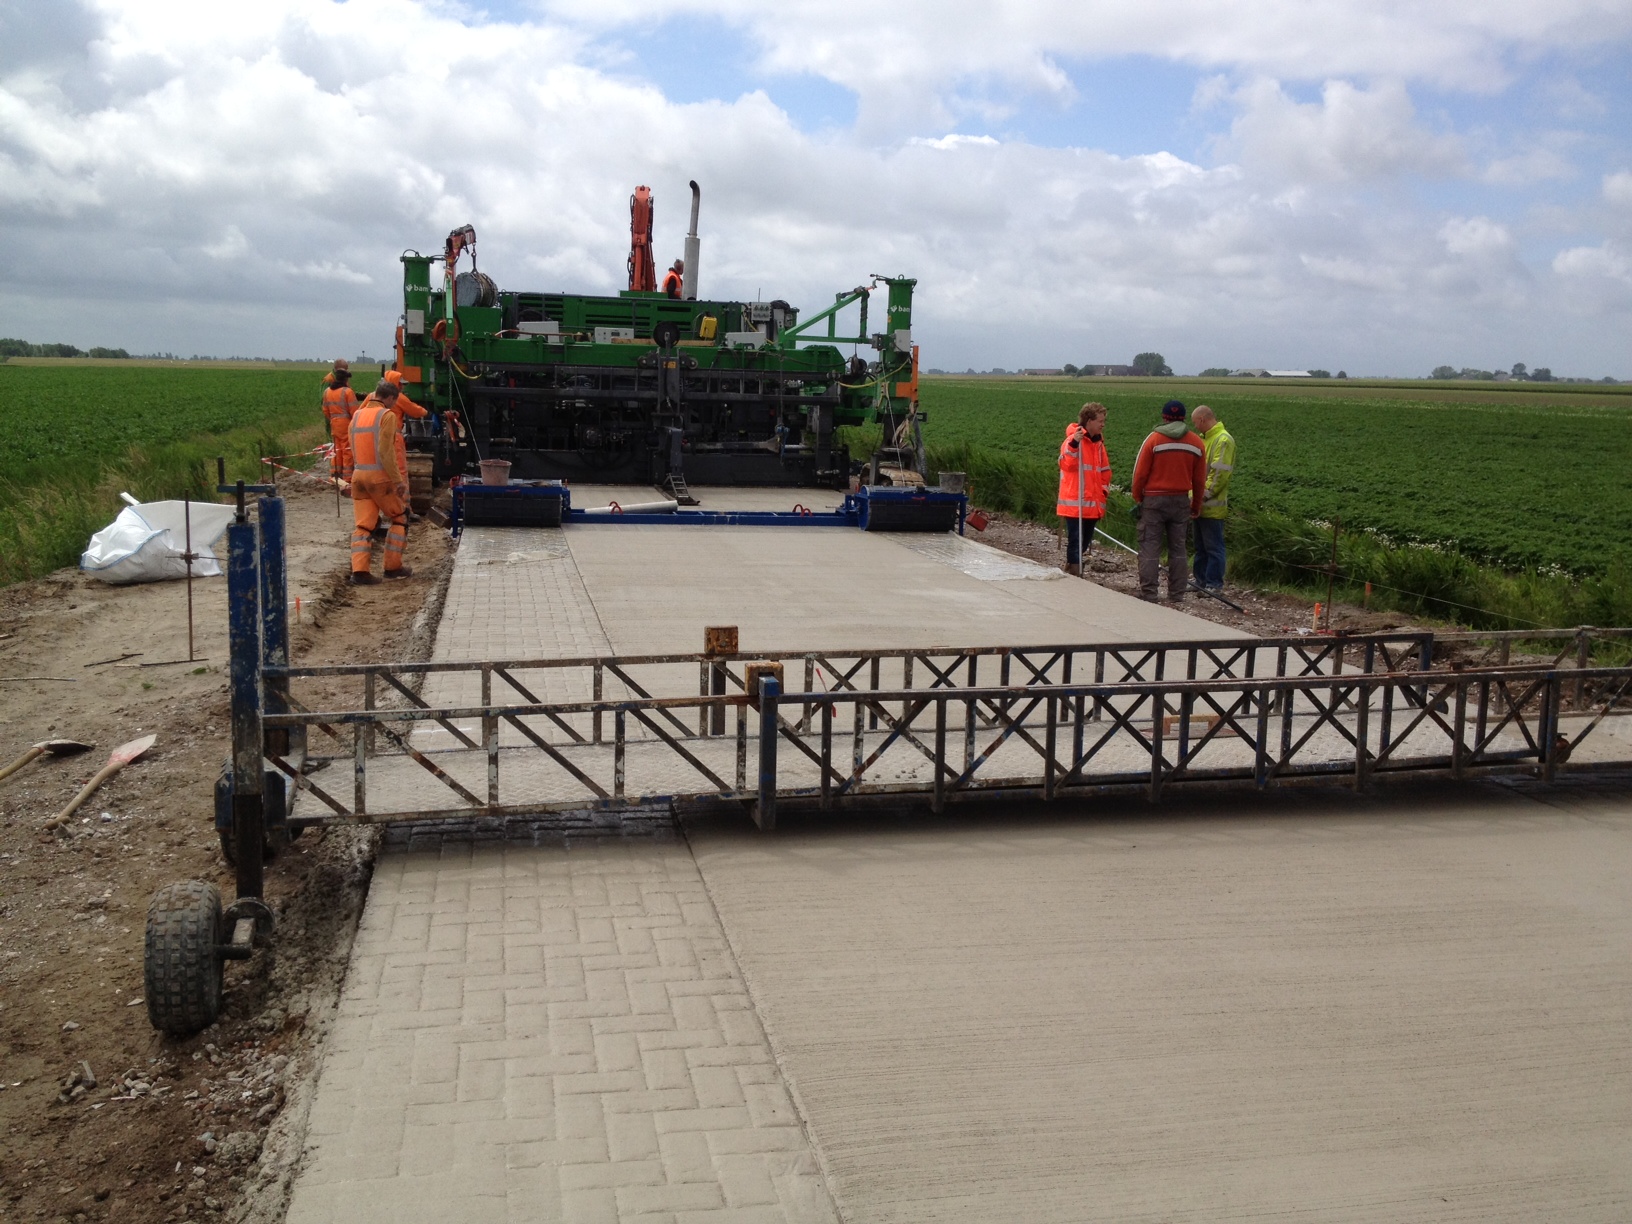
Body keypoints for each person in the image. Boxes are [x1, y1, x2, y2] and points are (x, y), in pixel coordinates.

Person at [1131, 399, 1206, 603]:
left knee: (1149, 546)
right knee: (1178, 548)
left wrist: (1138, 498)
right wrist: (1196, 505)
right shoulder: (1196, 443)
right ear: (1183, 417)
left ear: (1164, 417)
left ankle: (1149, 593)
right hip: (1181, 500)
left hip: (1154, 501)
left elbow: (1139, 474)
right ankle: (1176, 594)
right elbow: (1199, 480)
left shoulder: (1154, 440)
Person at [346, 381, 411, 585]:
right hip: (380, 479)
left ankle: (360, 572)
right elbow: (386, 452)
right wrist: (398, 480)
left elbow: (351, 445)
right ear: (390, 398)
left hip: (359, 477)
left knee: (364, 526)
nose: (394, 405)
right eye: (394, 401)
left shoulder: (357, 415)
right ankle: (393, 568)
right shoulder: (387, 416)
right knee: (399, 518)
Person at [1056, 402, 1111, 577]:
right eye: (1100, 421)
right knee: (1076, 540)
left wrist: (1103, 492)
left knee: (1084, 541)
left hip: (1092, 503)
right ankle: (1075, 572)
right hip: (1075, 502)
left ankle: (1072, 569)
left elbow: (1105, 471)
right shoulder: (1072, 440)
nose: (1103, 424)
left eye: (1104, 421)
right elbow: (1066, 464)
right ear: (1089, 420)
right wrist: (1074, 444)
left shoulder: (1098, 444)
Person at [1191, 405, 1236, 591]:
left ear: (1202, 419)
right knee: (1200, 548)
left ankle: (1213, 584)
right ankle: (1200, 582)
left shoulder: (1223, 440)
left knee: (1214, 548)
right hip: (1198, 504)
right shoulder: (1204, 440)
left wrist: (1201, 497)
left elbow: (1219, 475)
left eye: (1195, 423)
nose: (1195, 427)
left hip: (1211, 506)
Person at [320, 359, 358, 484]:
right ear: (346, 379)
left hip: (334, 424)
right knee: (347, 451)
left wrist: (333, 419)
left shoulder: (327, 392)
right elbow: (355, 412)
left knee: (336, 450)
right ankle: (347, 478)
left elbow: (325, 410)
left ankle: (334, 475)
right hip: (346, 424)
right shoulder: (347, 392)